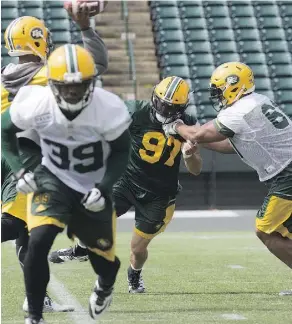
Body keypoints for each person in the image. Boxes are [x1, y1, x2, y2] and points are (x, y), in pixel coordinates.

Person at [1, 44, 131, 324]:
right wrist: (20, 170)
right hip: (53, 178)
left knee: (103, 260)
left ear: (91, 84)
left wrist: (105, 186)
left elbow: (122, 152)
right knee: (37, 241)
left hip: (92, 184)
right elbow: (5, 130)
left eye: (79, 86)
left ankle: (105, 285)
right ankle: (34, 316)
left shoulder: (108, 107)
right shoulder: (36, 101)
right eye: (65, 86)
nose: (72, 92)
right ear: (50, 84)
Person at [49, 76, 203, 293]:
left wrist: (190, 155)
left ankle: (134, 273)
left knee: (137, 249)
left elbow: (196, 169)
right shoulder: (136, 111)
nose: (165, 110)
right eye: (161, 104)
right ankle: (81, 250)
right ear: (154, 98)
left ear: (182, 108)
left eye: (171, 107)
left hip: (159, 195)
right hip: (127, 181)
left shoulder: (189, 124)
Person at [163, 62, 292, 277]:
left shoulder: (240, 109)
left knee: (265, 229)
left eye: (219, 90)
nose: (218, 96)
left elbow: (198, 134)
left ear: (234, 85)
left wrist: (175, 126)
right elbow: (226, 146)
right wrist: (198, 142)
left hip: (287, 173)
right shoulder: (257, 101)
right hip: (286, 170)